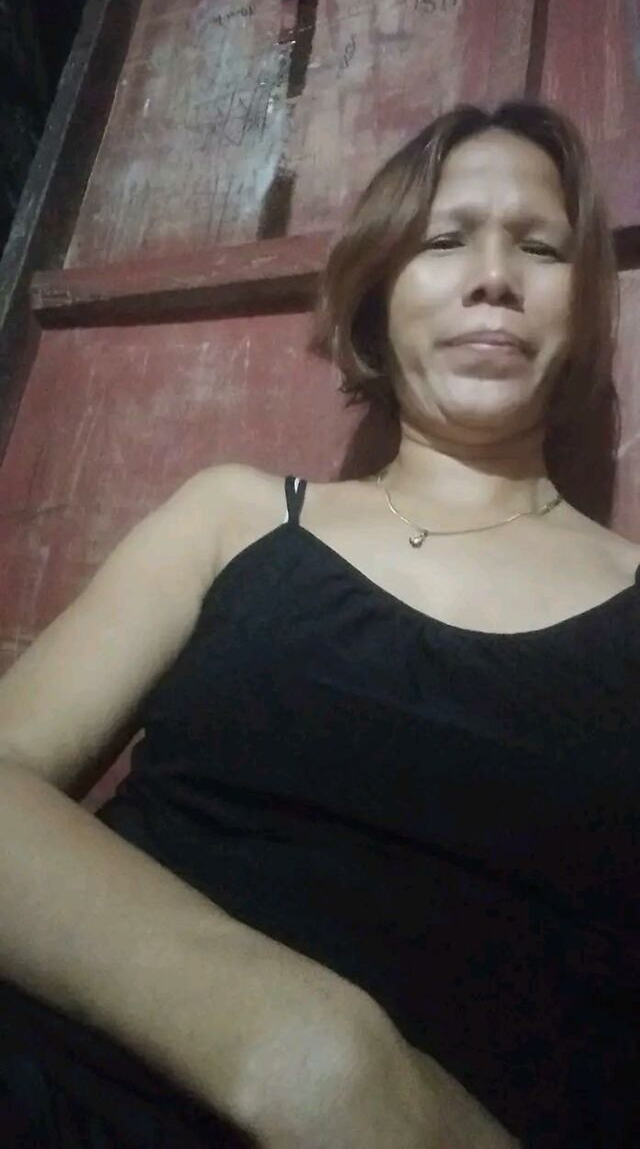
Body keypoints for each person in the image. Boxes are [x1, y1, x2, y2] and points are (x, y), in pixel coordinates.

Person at [0, 100, 638, 1148]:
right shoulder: (237, 516)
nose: (493, 276)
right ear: (379, 292)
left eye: (540, 247)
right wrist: (301, 1043)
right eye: (444, 239)